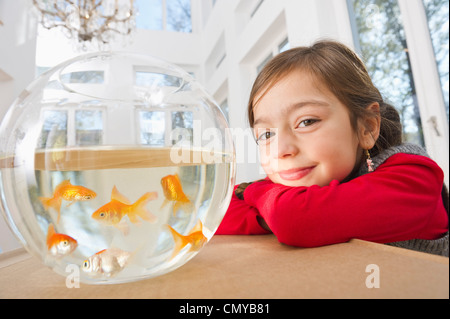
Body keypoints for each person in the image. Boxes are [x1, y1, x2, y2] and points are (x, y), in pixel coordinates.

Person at [216, 40, 449, 256]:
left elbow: (292, 220)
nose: (281, 149)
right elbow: (217, 213)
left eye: (306, 121)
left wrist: (253, 193)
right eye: (266, 134)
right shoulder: (302, 181)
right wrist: (278, 209)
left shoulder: (415, 178)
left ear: (366, 127)